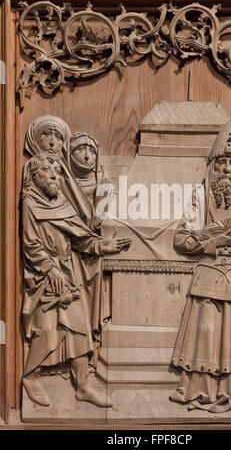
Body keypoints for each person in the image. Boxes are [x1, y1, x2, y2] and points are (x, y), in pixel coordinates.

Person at [22, 153, 131, 407]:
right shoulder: (29, 202)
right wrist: (50, 269)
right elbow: (30, 244)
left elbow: (80, 238)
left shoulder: (60, 200)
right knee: (47, 331)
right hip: (44, 275)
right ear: (33, 177)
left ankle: (82, 386)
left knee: (80, 331)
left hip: (69, 272)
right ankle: (29, 376)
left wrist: (106, 245)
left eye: (55, 173)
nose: (53, 177)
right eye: (47, 172)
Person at [170, 121, 231, 413]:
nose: (227, 170)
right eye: (222, 163)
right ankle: (200, 391)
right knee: (205, 333)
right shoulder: (200, 197)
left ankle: (229, 391)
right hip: (207, 275)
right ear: (213, 166)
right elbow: (182, 239)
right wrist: (215, 243)